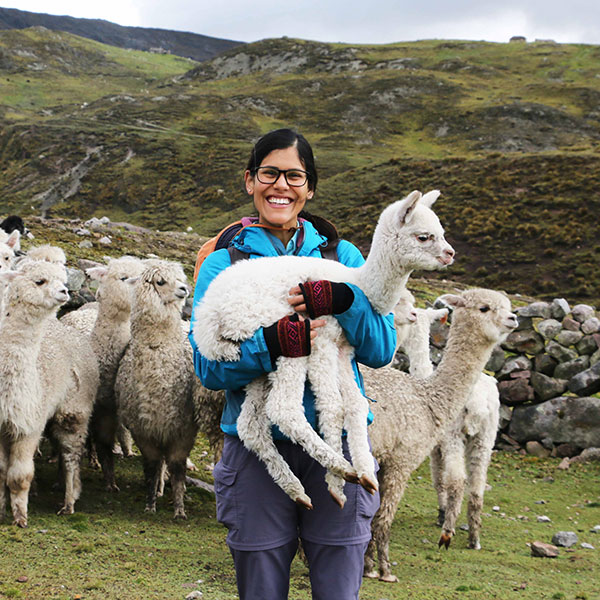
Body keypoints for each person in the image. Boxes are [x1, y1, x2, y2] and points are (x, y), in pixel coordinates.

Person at [189, 128, 397, 600]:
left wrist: (345, 301)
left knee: (339, 587)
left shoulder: (341, 256)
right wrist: (271, 343)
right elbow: (208, 366)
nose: (280, 186)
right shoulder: (222, 262)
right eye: (270, 173)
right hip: (258, 450)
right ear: (250, 180)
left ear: (309, 187)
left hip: (338, 439)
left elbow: (382, 348)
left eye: (294, 176)